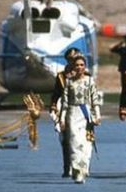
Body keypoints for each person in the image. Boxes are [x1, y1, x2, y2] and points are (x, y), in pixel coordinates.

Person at [59, 55, 102, 184]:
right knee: (74, 142)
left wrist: (97, 115)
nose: (79, 67)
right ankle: (76, 169)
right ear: (73, 67)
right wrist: (61, 119)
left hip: (86, 114)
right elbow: (65, 103)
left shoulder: (90, 81)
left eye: (82, 65)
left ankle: (83, 168)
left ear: (85, 67)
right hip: (73, 114)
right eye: (77, 65)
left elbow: (95, 99)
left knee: (86, 143)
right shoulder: (68, 82)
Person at [50, 47, 80, 178]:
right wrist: (53, 108)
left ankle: (80, 165)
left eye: (76, 59)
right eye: (71, 59)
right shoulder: (61, 76)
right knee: (66, 140)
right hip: (66, 111)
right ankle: (67, 166)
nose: (74, 62)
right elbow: (56, 94)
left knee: (80, 141)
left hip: (81, 112)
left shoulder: (86, 76)